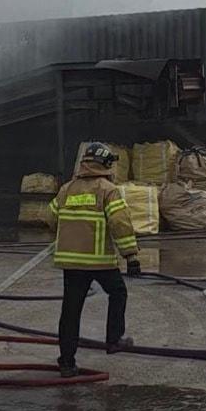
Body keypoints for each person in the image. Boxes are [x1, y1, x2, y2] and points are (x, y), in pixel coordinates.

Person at [48, 142, 139, 378]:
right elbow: (120, 224)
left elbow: (50, 217)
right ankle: (114, 340)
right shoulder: (108, 190)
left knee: (70, 311)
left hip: (71, 263)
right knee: (118, 293)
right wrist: (131, 256)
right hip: (99, 261)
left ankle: (67, 363)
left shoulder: (66, 189)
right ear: (106, 165)